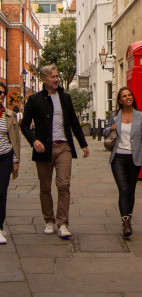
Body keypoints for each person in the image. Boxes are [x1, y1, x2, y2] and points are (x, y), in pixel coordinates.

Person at [21, 64, 89, 239]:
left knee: (63, 185)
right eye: (53, 77)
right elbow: (24, 125)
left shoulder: (65, 98)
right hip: (44, 149)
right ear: (44, 79)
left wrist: (83, 144)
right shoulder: (35, 100)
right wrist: (34, 140)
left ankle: (63, 223)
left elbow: (73, 122)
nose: (56, 79)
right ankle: (49, 221)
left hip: (63, 147)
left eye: (57, 76)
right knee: (45, 187)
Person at [103, 86, 142, 238]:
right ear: (120, 100)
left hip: (134, 157)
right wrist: (111, 127)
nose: (128, 98)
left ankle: (128, 218)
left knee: (131, 190)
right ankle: (125, 223)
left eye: (129, 95)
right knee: (123, 189)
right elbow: (105, 132)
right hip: (118, 157)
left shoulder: (141, 116)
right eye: (124, 96)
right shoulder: (115, 115)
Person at [0, 83, 20, 244]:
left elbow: (15, 140)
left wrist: (15, 159)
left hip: (5, 156)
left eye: (3, 93)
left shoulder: (9, 115)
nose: (1, 95)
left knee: (2, 194)